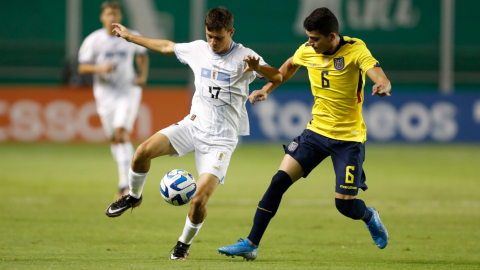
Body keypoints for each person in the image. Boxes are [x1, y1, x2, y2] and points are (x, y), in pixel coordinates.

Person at [104, 7, 282, 260]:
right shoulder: (199, 49)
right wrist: (131, 37)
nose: (213, 42)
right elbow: (167, 46)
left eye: (218, 37)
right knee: (142, 152)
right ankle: (133, 196)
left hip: (221, 140)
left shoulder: (246, 56)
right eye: (209, 36)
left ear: (231, 32)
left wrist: (260, 70)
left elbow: (278, 75)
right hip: (192, 126)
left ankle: (183, 244)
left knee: (198, 201)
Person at [218, 7, 391, 261]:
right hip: (315, 134)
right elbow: (288, 66)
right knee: (278, 182)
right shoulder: (308, 50)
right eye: (308, 38)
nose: (310, 43)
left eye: (315, 39)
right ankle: (251, 243)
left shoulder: (356, 50)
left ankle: (369, 216)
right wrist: (267, 88)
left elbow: (377, 72)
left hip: (348, 140)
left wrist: (382, 84)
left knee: (344, 205)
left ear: (332, 37)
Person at [78, 1, 149, 199]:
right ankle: (125, 181)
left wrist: (142, 76)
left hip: (128, 91)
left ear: (120, 17)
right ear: (102, 17)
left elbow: (142, 55)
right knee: (114, 138)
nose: (112, 18)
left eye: (115, 14)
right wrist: (100, 69)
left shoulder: (130, 35)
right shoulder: (93, 40)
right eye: (109, 14)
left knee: (120, 133)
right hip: (105, 95)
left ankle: (124, 185)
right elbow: (82, 67)